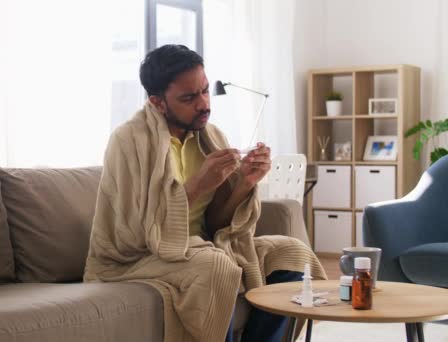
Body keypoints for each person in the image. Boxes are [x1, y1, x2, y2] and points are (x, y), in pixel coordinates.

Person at [84, 44, 326, 342]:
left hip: (203, 246)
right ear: (158, 102)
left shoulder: (210, 137)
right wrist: (199, 183)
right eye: (189, 97)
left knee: (292, 254)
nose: (203, 104)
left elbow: (216, 224)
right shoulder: (129, 141)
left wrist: (245, 183)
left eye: (205, 91)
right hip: (137, 257)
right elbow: (134, 233)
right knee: (215, 267)